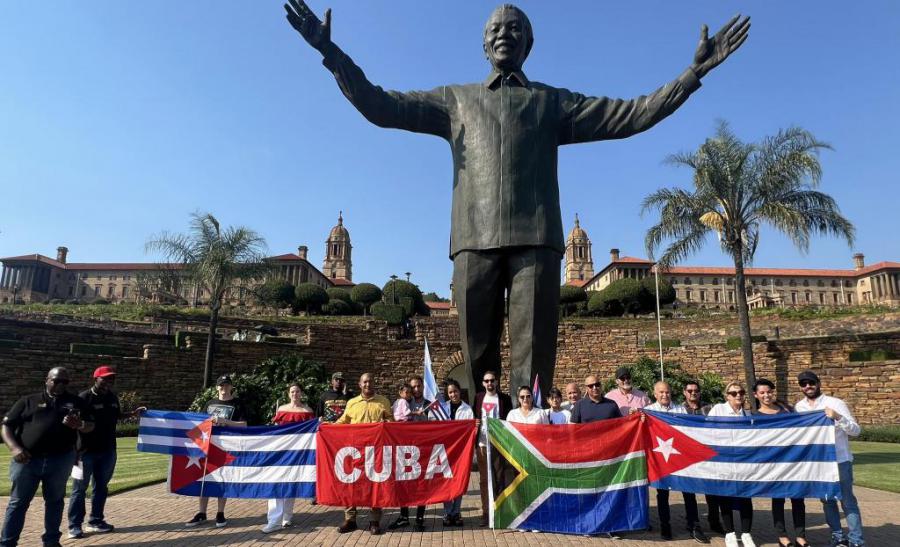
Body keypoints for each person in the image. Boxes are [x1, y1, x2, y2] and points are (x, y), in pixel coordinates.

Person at [284, 0, 749, 404]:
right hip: (473, 240)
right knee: (475, 363)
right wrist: (331, 53)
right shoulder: (454, 101)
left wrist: (691, 75)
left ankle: (531, 448)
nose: (503, 34)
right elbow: (379, 105)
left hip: (537, 242)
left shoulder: (552, 102)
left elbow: (632, 115)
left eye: (514, 29)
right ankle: (479, 446)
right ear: (484, 45)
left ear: (529, 43)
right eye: (495, 29)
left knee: (534, 361)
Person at [1, 367, 94, 547]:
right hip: (27, 460)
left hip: (60, 460)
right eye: (57, 380)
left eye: (65, 382)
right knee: (18, 503)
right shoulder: (28, 400)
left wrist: (80, 424)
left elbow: (91, 425)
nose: (61, 385)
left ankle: (51, 542)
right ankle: (7, 543)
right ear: (47, 380)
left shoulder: (76, 402)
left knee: (55, 502)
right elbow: (6, 426)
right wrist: (14, 448)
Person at [67, 366, 145, 540]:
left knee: (101, 487)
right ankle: (74, 526)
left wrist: (132, 414)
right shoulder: (83, 398)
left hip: (108, 451)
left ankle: (96, 521)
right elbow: (72, 423)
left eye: (111, 379)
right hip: (82, 453)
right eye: (105, 378)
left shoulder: (112, 397)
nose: (109, 382)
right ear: (96, 379)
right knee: (78, 489)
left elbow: (116, 416)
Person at [794, 370, 864, 547]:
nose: (808, 386)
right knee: (827, 500)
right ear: (800, 387)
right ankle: (837, 537)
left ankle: (856, 540)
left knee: (847, 501)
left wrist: (838, 417)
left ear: (818, 383)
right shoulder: (799, 408)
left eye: (811, 382)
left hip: (840, 460)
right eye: (803, 384)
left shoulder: (835, 403)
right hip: (819, 463)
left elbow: (856, 431)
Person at [646, 381, 708, 543]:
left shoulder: (681, 410)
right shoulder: (649, 410)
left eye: (667, 392)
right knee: (662, 494)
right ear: (655, 394)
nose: (664, 395)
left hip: (680, 457)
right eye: (661, 392)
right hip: (661, 458)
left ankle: (694, 525)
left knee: (689, 491)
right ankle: (665, 525)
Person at [184, 375, 248, 529]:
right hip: (208, 445)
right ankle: (202, 513)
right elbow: (199, 423)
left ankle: (220, 512)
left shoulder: (237, 404)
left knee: (222, 478)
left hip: (226, 446)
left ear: (231, 387)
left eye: (226, 385)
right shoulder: (209, 403)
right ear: (217, 387)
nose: (224, 388)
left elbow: (244, 424)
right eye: (221, 385)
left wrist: (225, 422)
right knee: (205, 477)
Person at [752, 378, 808, 547]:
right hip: (773, 464)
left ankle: (801, 536)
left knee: (798, 498)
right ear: (756, 395)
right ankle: (782, 536)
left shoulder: (788, 411)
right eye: (762, 392)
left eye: (769, 392)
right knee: (778, 499)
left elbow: (802, 429)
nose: (766, 395)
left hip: (793, 461)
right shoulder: (755, 416)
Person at [335, 372, 393, 535]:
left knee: (375, 485)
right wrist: (327, 427)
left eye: (370, 381)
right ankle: (350, 520)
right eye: (365, 382)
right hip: (355, 451)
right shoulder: (352, 403)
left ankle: (374, 521)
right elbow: (343, 421)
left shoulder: (383, 401)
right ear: (360, 384)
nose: (368, 384)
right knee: (351, 485)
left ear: (374, 383)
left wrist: (386, 422)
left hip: (376, 451)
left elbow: (391, 421)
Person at [262, 383, 316, 534]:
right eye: (292, 391)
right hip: (281, 452)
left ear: (301, 393)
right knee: (276, 483)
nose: (295, 394)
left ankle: (287, 516)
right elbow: (276, 430)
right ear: (288, 394)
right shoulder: (282, 409)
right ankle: (274, 520)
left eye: (297, 391)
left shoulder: (307, 411)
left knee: (291, 482)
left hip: (298, 453)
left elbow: (311, 432)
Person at [708, 382, 755, 547]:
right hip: (724, 461)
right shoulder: (718, 410)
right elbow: (707, 430)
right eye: (734, 393)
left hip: (742, 463)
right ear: (727, 396)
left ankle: (746, 533)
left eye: (741, 392)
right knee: (725, 497)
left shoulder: (747, 414)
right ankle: (730, 533)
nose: (738, 395)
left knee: (745, 497)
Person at [388, 375, 431, 532]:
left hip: (423, 447)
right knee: (403, 481)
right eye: (413, 387)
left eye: (419, 386)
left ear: (423, 387)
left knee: (421, 483)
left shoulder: (428, 404)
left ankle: (419, 518)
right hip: (405, 448)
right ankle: (404, 517)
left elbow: (436, 424)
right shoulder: (405, 402)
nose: (416, 389)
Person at [473, 370, 513, 527]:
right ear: (483, 383)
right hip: (482, 444)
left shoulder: (504, 399)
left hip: (498, 444)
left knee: (499, 477)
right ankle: (486, 512)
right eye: (487, 381)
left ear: (496, 382)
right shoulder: (478, 397)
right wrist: (475, 422)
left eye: (492, 380)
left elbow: (509, 420)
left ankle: (499, 510)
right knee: (484, 480)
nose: (489, 383)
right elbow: (474, 416)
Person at [682, 380, 720, 535]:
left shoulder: (710, 409)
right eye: (690, 390)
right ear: (684, 392)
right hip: (687, 456)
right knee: (689, 492)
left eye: (696, 390)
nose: (693, 393)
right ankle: (693, 522)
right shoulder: (679, 410)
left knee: (712, 490)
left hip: (707, 455)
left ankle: (714, 521)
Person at [438, 379, 474, 527]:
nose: (453, 394)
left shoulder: (467, 409)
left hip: (460, 452)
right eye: (450, 392)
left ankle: (456, 512)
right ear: (447, 394)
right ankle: (447, 512)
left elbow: (469, 430)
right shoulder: (442, 408)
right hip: (445, 451)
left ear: (460, 391)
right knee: (446, 481)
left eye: (455, 391)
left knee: (459, 480)